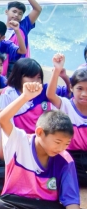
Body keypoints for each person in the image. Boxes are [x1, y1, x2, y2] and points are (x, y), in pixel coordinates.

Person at [0, 81, 80, 209]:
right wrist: (25, 97)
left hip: (46, 205)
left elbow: (71, 200)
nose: (61, 148)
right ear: (39, 132)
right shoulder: (20, 141)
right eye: (57, 142)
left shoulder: (65, 159)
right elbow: (3, 119)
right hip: (16, 201)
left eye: (66, 144)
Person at [46, 55, 87, 186]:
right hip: (69, 153)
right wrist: (57, 70)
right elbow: (50, 95)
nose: (84, 94)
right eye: (80, 88)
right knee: (63, 170)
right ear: (71, 88)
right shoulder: (66, 105)